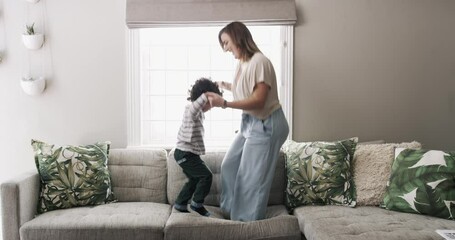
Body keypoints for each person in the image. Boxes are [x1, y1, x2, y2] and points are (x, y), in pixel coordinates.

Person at [206, 21, 290, 222]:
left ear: (237, 38)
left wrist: (224, 103)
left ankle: (246, 224)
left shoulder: (260, 61)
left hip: (267, 125)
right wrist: (222, 86)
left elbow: (259, 100)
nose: (225, 49)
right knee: (229, 166)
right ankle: (231, 212)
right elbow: (244, 89)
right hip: (250, 124)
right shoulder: (242, 63)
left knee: (251, 179)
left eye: (226, 43)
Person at [173, 77, 222, 217]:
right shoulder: (191, 109)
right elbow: (197, 106)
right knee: (206, 176)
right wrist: (207, 95)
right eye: (209, 104)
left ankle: (180, 203)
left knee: (194, 179)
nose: (210, 107)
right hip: (184, 154)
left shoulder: (198, 112)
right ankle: (197, 204)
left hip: (189, 153)